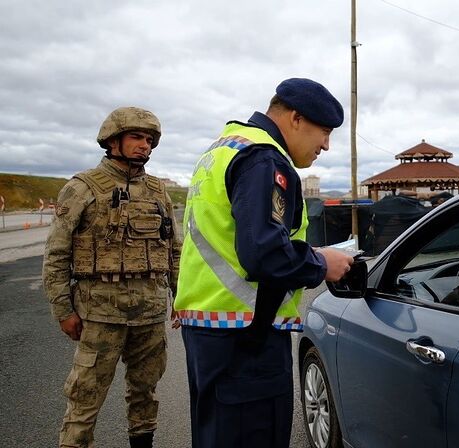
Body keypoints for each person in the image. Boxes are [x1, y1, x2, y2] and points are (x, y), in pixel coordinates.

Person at [174, 78, 354, 448]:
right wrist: (322, 264)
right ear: (296, 118)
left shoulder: (225, 148)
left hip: (209, 329)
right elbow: (264, 253)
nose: (326, 145)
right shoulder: (264, 158)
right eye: (324, 132)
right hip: (245, 339)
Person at [42, 107, 182, 448]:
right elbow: (56, 254)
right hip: (100, 314)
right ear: (113, 140)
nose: (144, 146)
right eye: (136, 137)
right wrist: (63, 310)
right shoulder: (82, 188)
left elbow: (174, 250)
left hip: (149, 314)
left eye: (149, 140)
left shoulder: (157, 190)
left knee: (145, 395)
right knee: (84, 399)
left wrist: (181, 299)